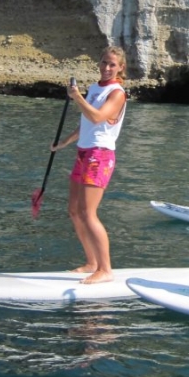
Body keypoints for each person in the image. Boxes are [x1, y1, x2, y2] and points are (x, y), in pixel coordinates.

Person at [51, 46, 127, 284]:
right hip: (84, 152)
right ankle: (92, 262)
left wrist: (77, 97)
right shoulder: (95, 88)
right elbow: (87, 123)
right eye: (104, 62)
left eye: (112, 64)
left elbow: (96, 117)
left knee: (87, 212)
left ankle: (105, 269)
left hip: (100, 155)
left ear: (120, 68)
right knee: (74, 211)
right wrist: (64, 142)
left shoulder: (117, 93)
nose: (106, 68)